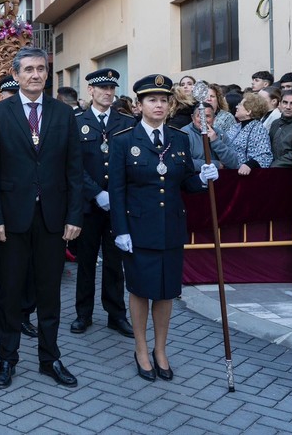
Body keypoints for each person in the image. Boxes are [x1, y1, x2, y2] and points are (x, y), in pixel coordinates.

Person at [0, 46, 83, 389]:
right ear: (16, 75)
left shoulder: (64, 114)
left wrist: (74, 215)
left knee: (49, 293)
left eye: (41, 69)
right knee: (10, 293)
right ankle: (7, 358)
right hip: (10, 220)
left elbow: (74, 169)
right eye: (29, 69)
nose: (36, 74)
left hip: (53, 219)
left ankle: (49, 358)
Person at [109, 74, 218, 382]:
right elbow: (117, 190)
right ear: (139, 105)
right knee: (141, 290)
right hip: (138, 230)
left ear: (171, 105)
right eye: (151, 100)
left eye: (163, 100)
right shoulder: (123, 140)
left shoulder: (179, 138)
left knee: (167, 292)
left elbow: (184, 183)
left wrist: (202, 178)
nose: (158, 105)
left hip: (171, 227)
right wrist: (121, 230)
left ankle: (160, 349)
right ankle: (141, 349)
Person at [70, 69, 134, 338]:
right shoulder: (76, 122)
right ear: (91, 91)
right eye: (102, 88)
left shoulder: (127, 122)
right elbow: (73, 165)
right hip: (88, 204)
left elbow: (130, 163)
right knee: (85, 262)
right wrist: (96, 193)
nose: (108, 92)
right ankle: (83, 313)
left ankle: (116, 314)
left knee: (114, 262)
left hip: (117, 206)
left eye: (111, 88)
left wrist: (115, 197)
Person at [0, 75, 38, 340]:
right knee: (1, 269)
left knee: (29, 268)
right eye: (8, 95)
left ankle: (24, 315)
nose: (13, 99)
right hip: (4, 208)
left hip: (32, 208)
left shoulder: (37, 125)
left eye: (16, 94)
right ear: (1, 96)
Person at [226, 92, 273, 174]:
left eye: (240, 105)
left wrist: (249, 165)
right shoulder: (236, 126)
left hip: (244, 176)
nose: (236, 106)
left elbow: (265, 155)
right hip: (229, 171)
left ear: (248, 111)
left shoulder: (258, 129)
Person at [184, 103, 240, 170]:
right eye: (199, 116)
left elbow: (233, 164)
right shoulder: (184, 134)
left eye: (207, 116)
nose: (203, 120)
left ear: (214, 119)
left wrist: (215, 141)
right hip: (194, 177)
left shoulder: (220, 134)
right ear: (193, 118)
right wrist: (216, 165)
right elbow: (184, 163)